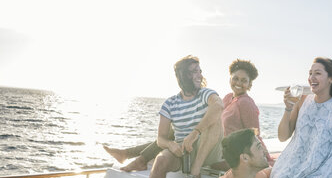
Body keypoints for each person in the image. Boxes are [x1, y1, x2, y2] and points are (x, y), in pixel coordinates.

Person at [104, 58, 272, 171]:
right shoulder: (228, 98)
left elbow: (254, 134)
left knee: (178, 134)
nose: (238, 83)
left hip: (224, 150)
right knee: (174, 130)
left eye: (244, 81)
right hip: (214, 142)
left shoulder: (246, 103)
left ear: (249, 84)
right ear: (230, 78)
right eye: (236, 78)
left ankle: (132, 156)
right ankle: (128, 154)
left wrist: (262, 158)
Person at [136, 55, 224, 178]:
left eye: (199, 71)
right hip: (184, 152)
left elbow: (218, 105)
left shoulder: (206, 93)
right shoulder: (170, 104)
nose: (199, 75)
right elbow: (161, 138)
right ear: (182, 76)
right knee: (160, 161)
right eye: (193, 71)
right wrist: (170, 145)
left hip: (208, 151)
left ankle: (194, 174)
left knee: (215, 119)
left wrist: (194, 133)